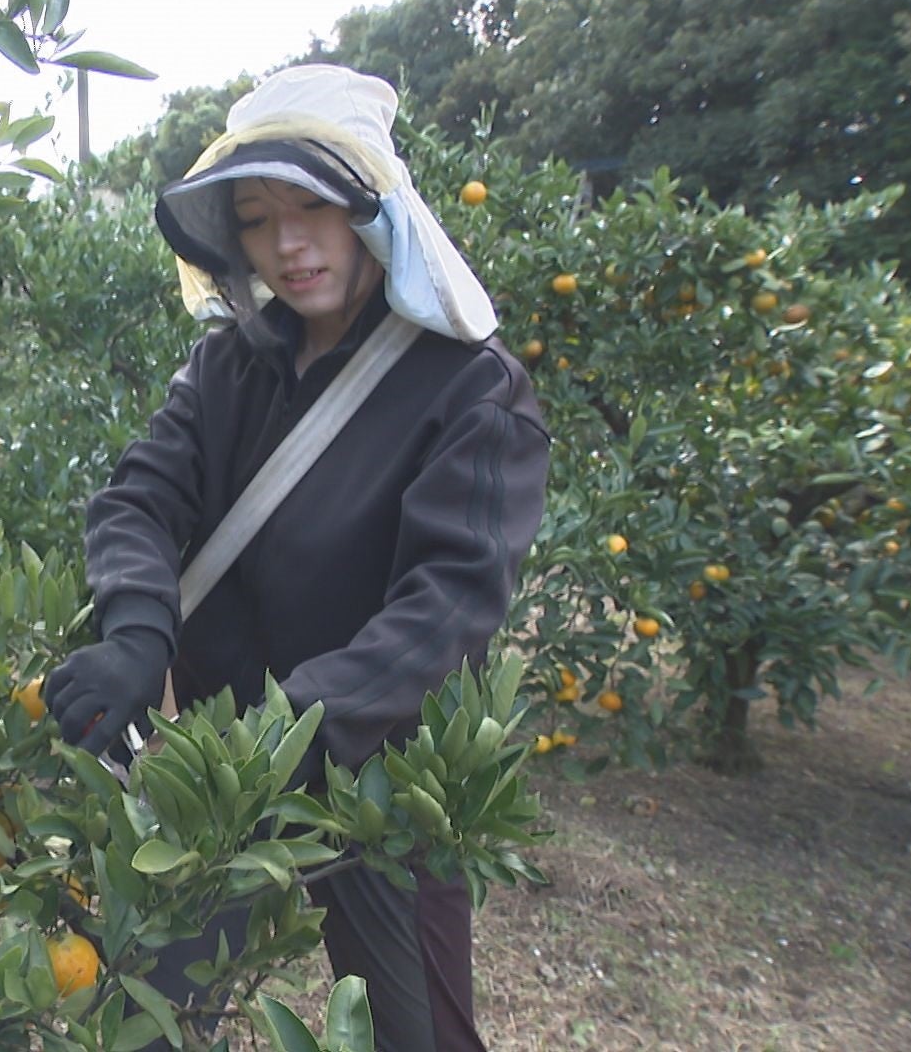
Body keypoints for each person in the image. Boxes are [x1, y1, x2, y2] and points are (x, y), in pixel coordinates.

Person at [42, 65, 550, 1051]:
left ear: (373, 211)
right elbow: (140, 498)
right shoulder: (229, 368)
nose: (289, 243)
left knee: (419, 1034)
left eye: (314, 206)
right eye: (259, 217)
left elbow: (446, 608)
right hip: (226, 778)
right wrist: (139, 632)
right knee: (140, 1015)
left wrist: (292, 735)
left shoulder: (468, 391)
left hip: (379, 785)